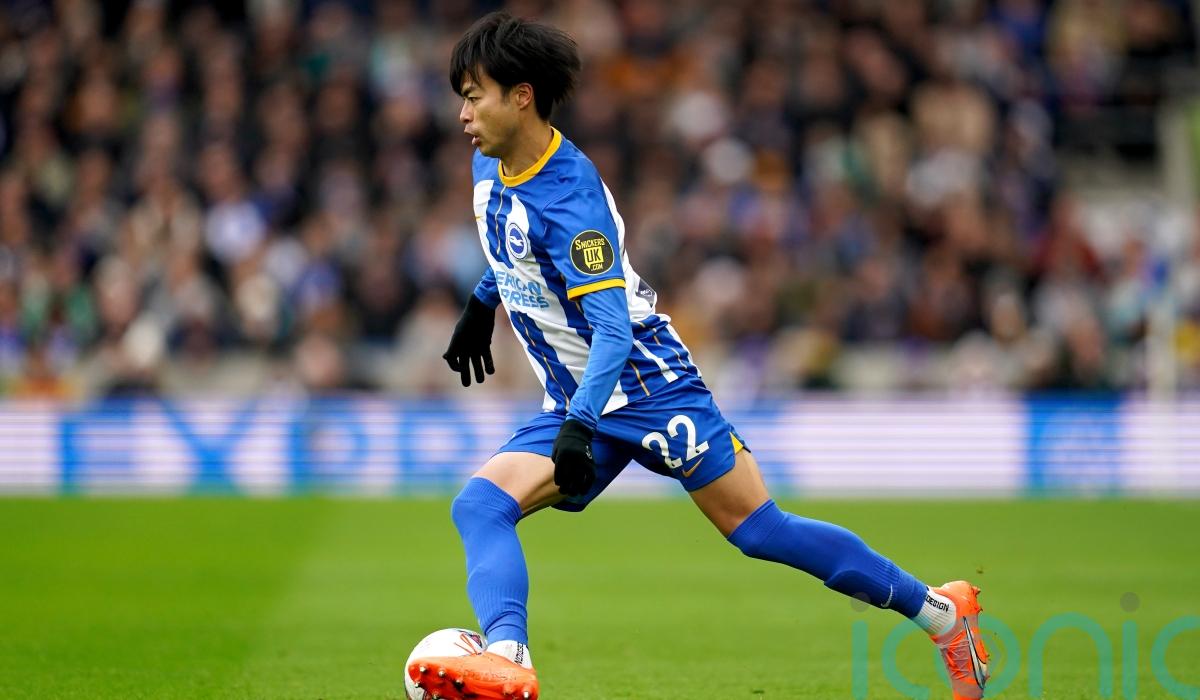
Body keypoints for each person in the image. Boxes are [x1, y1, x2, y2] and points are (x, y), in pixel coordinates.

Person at [408, 12, 990, 700]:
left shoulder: (572, 199)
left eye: (474, 96)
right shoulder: (489, 160)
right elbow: (515, 243)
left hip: (649, 386)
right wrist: (483, 303)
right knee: (480, 505)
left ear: (522, 96)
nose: (463, 113)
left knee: (760, 530)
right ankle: (509, 657)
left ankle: (943, 614)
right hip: (579, 397)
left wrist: (579, 426)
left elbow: (613, 331)